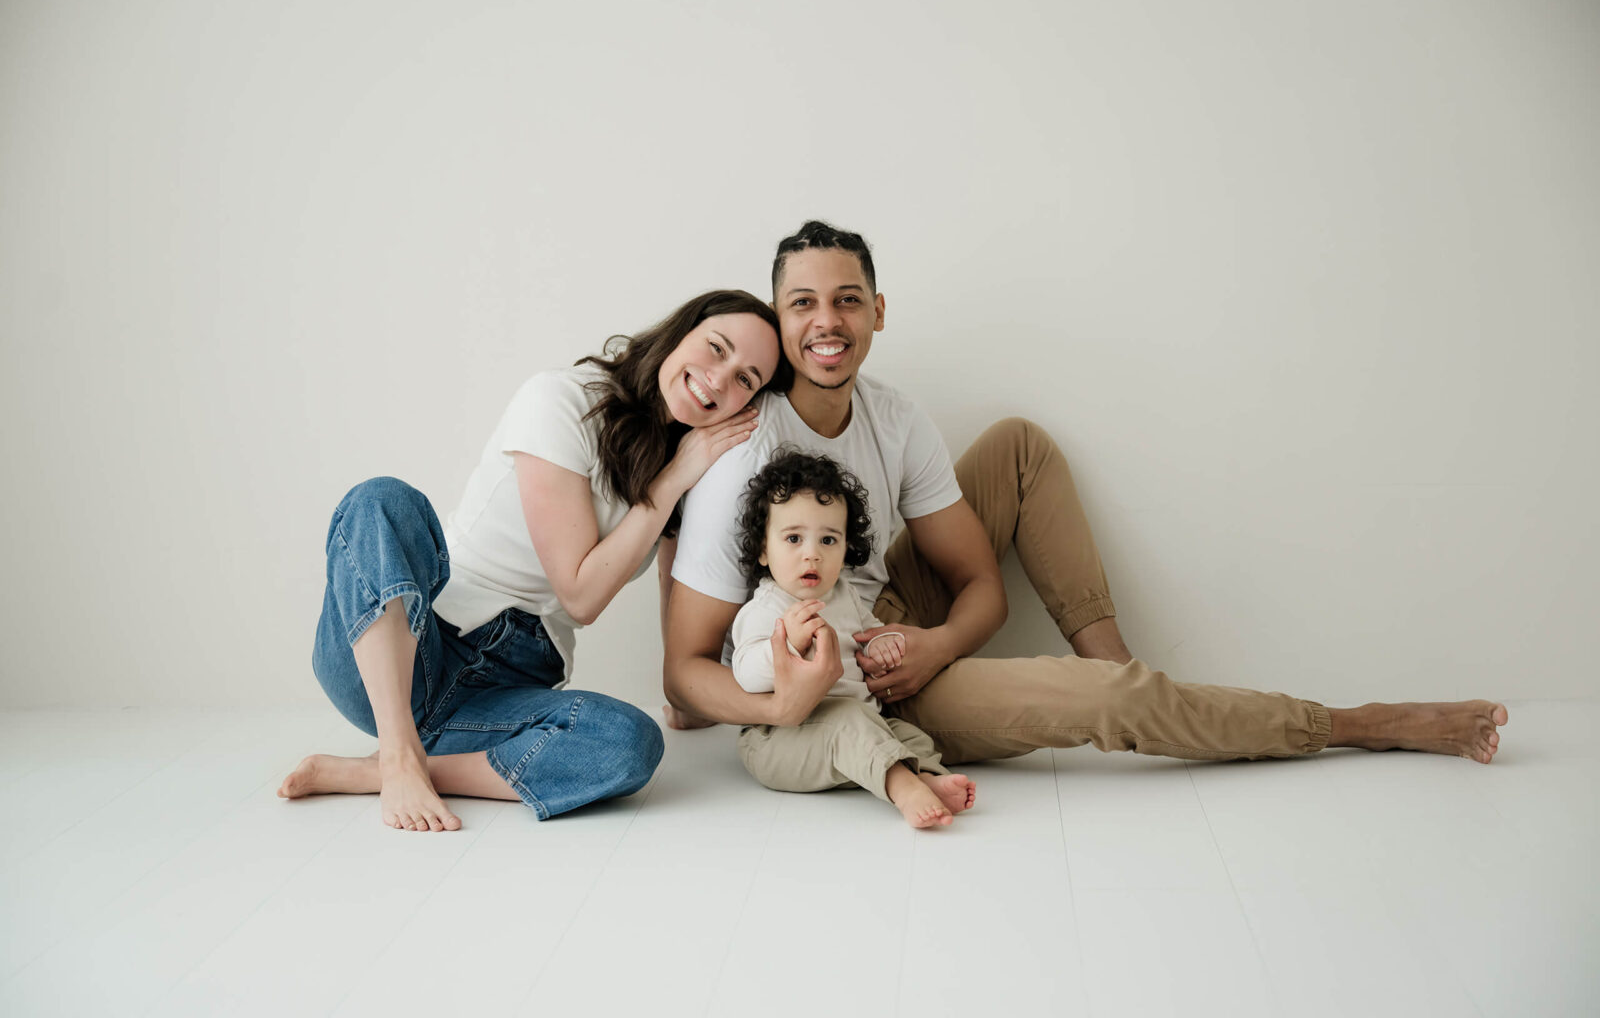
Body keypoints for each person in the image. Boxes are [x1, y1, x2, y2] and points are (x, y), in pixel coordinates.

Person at [661, 220, 1509, 771]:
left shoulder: (894, 416)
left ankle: (1122, 666)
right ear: (777, 322)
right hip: (840, 676)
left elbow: (979, 586)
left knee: (1017, 445)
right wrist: (791, 699)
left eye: (847, 299)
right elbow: (684, 666)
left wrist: (937, 641)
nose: (827, 322)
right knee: (1112, 705)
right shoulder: (747, 453)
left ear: (878, 312)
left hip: (888, 619)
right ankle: (1357, 722)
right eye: (802, 303)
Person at [279, 289, 789, 831]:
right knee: (382, 500)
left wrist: (684, 697)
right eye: (716, 348)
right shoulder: (561, 401)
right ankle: (399, 753)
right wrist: (675, 479)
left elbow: (674, 588)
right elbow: (580, 594)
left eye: (745, 379)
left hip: (507, 688)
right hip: (406, 644)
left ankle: (384, 771)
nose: (720, 378)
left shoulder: (685, 470)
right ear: (679, 332)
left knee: (630, 743)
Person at [728, 449, 977, 828]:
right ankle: (902, 788)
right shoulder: (767, 608)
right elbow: (745, 674)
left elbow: (868, 635)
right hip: (780, 741)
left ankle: (924, 775)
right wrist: (788, 644)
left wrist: (881, 646)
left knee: (910, 736)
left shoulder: (844, 595)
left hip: (855, 725)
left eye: (828, 541)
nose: (811, 555)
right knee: (849, 723)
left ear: (846, 549)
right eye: (793, 538)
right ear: (764, 549)